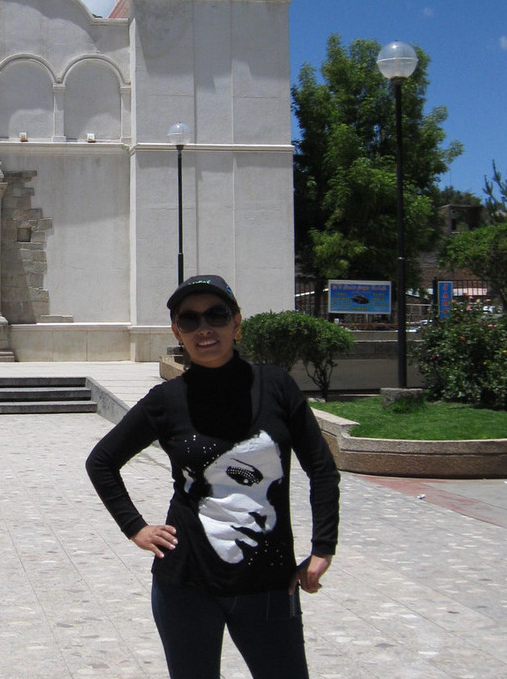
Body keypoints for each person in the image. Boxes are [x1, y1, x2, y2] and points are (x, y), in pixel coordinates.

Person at [86, 275, 340, 679]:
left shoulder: (275, 386)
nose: (204, 328)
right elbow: (101, 461)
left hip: (269, 583)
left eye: (216, 315)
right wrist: (135, 528)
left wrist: (323, 547)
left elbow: (322, 468)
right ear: (177, 332)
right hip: (185, 583)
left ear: (236, 323)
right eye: (189, 320)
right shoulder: (166, 400)